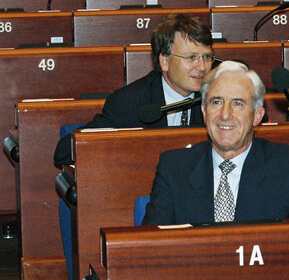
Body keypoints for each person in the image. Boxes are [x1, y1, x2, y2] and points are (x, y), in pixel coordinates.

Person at [142, 61, 289, 225]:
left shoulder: (286, 164)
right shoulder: (174, 167)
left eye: (238, 103)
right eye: (216, 102)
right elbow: (150, 244)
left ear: (257, 116)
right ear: (204, 112)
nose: (225, 115)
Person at [53, 14, 213, 166]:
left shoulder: (216, 99)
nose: (202, 67)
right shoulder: (129, 102)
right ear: (164, 61)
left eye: (206, 57)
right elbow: (65, 151)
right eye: (191, 57)